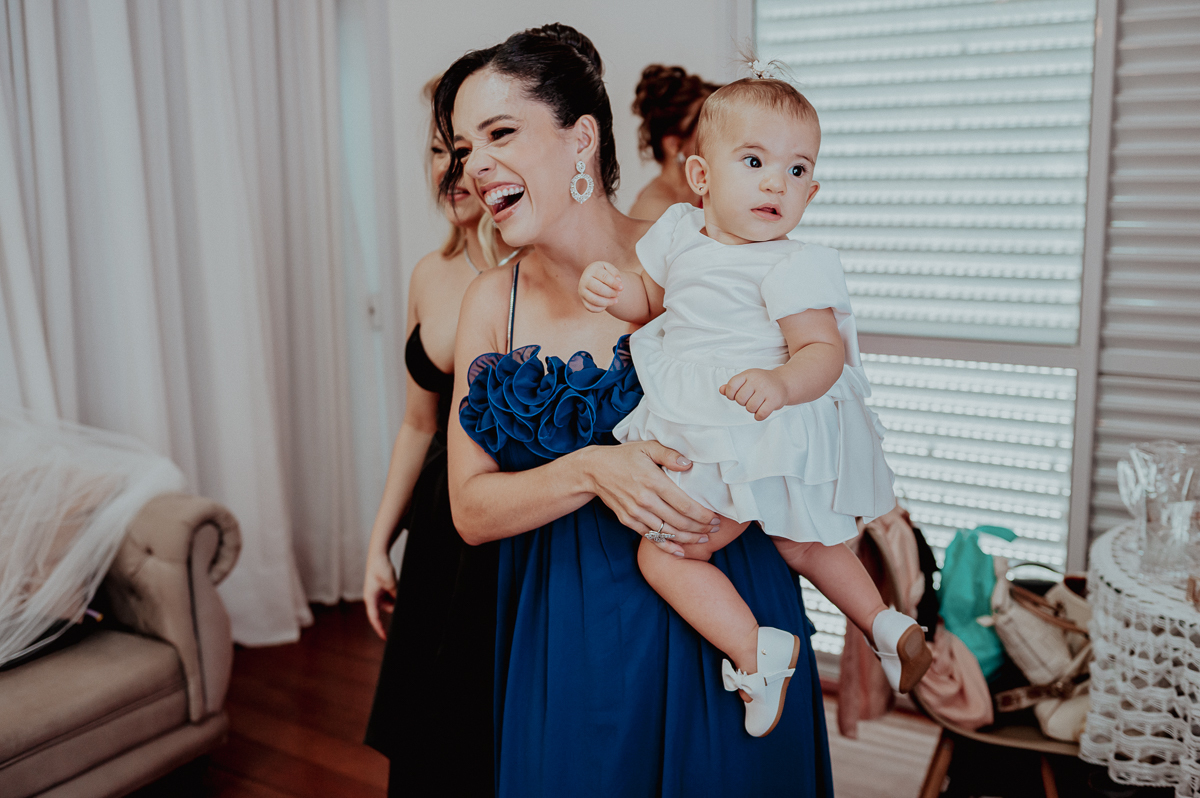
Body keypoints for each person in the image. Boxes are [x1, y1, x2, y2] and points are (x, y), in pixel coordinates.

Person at [444, 24, 834, 796]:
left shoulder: (692, 253)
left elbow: (808, 394)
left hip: (717, 608)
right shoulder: (492, 302)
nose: (476, 164)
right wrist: (592, 467)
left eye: (500, 132)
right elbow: (470, 509)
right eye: (463, 147)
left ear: (581, 139)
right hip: (568, 638)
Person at [578, 71, 932, 737]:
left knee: (666, 555)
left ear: (813, 191)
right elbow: (647, 302)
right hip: (722, 419)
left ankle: (756, 651)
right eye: (755, 162)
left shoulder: (794, 263)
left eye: (797, 170)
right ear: (701, 176)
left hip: (749, 425)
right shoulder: (679, 232)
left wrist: (782, 385)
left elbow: (823, 353)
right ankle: (888, 625)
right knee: (806, 543)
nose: (777, 183)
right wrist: (609, 289)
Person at [362, 76, 523, 797]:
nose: (449, 169)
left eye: (465, 149)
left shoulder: (529, 271)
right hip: (436, 526)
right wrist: (376, 545)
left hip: (503, 526)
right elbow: (415, 423)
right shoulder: (429, 274)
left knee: (483, 735)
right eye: (438, 149)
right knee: (425, 745)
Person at [628, 65, 719, 221]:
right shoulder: (654, 211)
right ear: (674, 145)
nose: (722, 137)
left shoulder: (707, 189)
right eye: (709, 128)